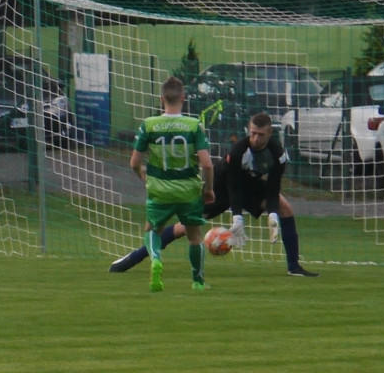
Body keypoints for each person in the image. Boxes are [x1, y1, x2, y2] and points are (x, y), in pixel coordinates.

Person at [110, 111, 319, 277]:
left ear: (269, 134)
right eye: (252, 132)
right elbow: (233, 186)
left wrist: (272, 214)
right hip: (220, 187)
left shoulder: (278, 155)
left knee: (285, 208)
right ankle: (133, 258)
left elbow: (273, 188)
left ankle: (294, 267)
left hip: (251, 187)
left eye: (260, 134)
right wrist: (238, 218)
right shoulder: (238, 150)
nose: (255, 138)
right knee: (185, 227)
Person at [129, 75, 215, 292]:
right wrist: (209, 189)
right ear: (183, 98)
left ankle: (156, 259)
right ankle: (197, 281)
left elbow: (134, 163)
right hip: (188, 190)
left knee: (151, 230)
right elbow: (207, 165)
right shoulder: (194, 125)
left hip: (160, 191)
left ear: (161, 99)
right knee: (194, 237)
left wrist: (144, 177)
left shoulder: (149, 125)